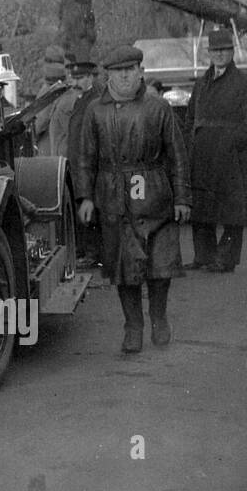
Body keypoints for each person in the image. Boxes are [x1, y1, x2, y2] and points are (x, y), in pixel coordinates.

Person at [76, 45, 191, 353]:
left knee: (159, 268)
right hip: (114, 201)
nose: (124, 77)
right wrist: (85, 197)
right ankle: (133, 327)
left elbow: (177, 156)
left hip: (156, 199)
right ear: (108, 76)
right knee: (124, 270)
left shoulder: (159, 108)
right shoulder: (95, 111)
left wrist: (182, 198)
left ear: (141, 72)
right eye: (117, 71)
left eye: (130, 70)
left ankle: (159, 318)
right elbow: (85, 158)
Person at [187, 28, 247, 274]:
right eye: (215, 51)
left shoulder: (246, 84)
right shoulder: (201, 84)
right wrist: (192, 142)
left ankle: (226, 259)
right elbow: (191, 117)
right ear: (209, 53)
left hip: (230, 156)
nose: (219, 55)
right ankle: (204, 256)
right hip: (202, 155)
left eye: (224, 50)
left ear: (232, 52)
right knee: (201, 207)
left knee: (232, 211)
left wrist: (232, 143)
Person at [65, 60, 103, 265]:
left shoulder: (94, 100)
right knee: (81, 204)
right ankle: (85, 251)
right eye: (75, 78)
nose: (76, 82)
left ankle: (92, 253)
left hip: (86, 160)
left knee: (89, 207)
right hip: (77, 161)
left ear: (90, 77)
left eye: (80, 78)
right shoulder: (81, 99)